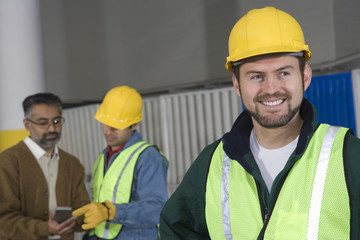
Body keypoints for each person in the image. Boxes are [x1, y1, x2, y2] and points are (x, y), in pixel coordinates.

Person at [160, 6, 360, 239]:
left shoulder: (349, 157)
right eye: (256, 76)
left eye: (283, 73)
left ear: (305, 77)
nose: (271, 89)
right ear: (237, 85)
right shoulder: (212, 164)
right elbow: (174, 229)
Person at [72, 86, 168, 240]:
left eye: (116, 127)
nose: (108, 131)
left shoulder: (148, 157)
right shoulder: (103, 157)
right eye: (105, 123)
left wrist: (111, 212)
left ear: (134, 125)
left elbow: (157, 208)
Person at [0, 93, 90, 240]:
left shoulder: (72, 164)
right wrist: (46, 228)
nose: (51, 129)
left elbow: (82, 209)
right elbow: (3, 220)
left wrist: (77, 220)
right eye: (43, 123)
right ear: (27, 124)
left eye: (57, 121)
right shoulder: (7, 162)